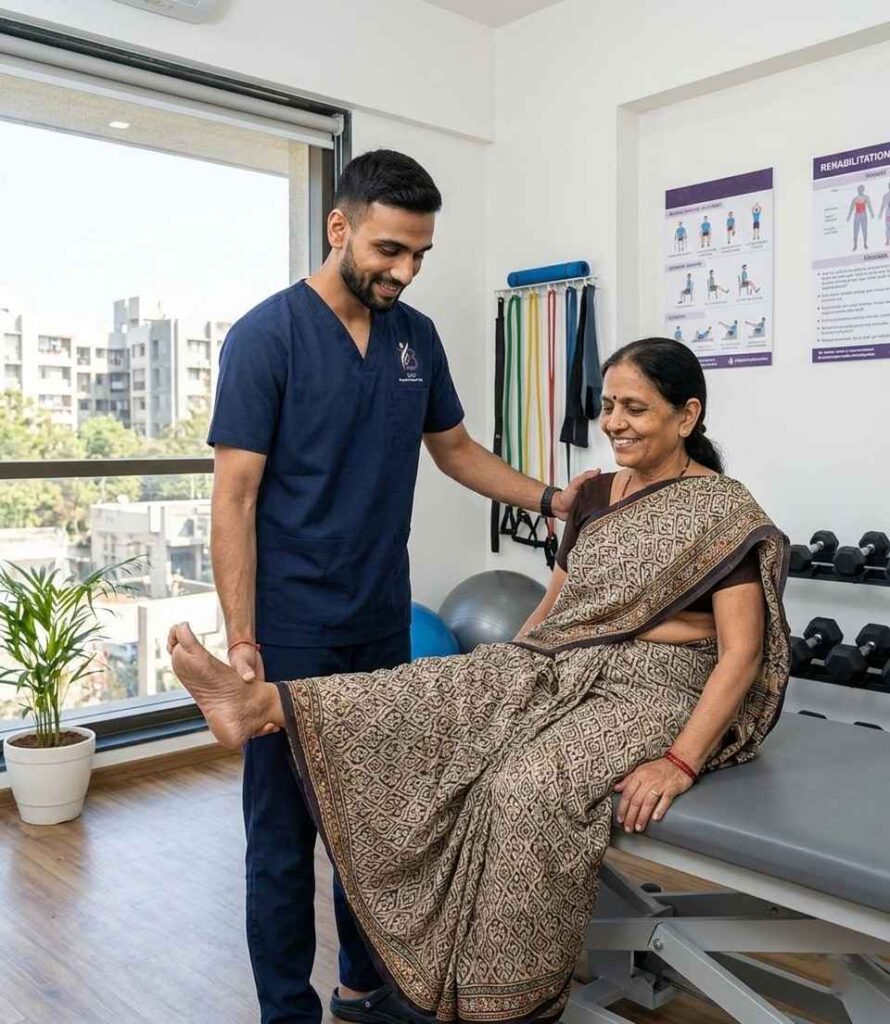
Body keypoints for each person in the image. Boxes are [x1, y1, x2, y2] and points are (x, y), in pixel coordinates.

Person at [172, 336, 791, 1024]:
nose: (614, 422)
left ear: (687, 416)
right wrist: (507, 670)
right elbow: (558, 605)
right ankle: (260, 703)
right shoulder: (591, 496)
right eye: (608, 405)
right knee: (435, 693)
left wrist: (679, 762)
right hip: (563, 662)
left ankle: (508, 1003)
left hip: (657, 688)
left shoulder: (721, 511)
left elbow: (739, 653)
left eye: (636, 408)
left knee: (518, 788)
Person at [207, 148, 595, 1024]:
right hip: (291, 628)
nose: (404, 271)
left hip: (381, 619)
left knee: (377, 823)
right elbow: (233, 498)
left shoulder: (415, 337)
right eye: (389, 250)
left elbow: (453, 450)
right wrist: (241, 637)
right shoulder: (266, 336)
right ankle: (284, 1011)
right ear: (339, 226)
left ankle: (362, 985)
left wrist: (548, 496)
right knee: (282, 835)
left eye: (419, 255)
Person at [848, 185, 874, 251]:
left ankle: (865, 244)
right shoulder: (855, 198)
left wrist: (871, 213)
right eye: (859, 189)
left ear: (863, 190)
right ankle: (855, 246)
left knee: (864, 230)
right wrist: (849, 216)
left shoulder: (866, 197)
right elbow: (851, 207)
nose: (860, 190)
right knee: (855, 230)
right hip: (857, 215)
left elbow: (869, 205)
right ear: (858, 190)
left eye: (861, 189)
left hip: (863, 214)